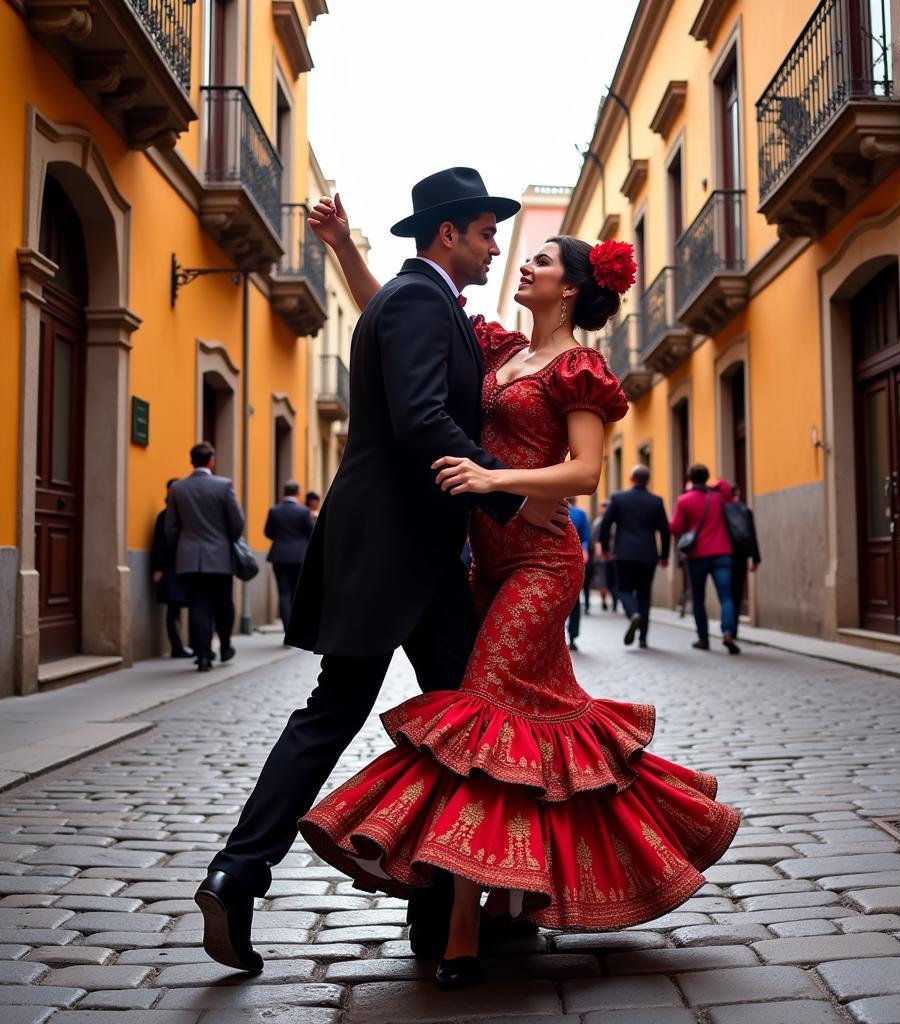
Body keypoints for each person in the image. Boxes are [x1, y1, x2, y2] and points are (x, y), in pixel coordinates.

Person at [297, 214, 739, 990]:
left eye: (536, 258)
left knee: (481, 718)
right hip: (485, 562)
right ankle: (513, 894)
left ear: (569, 286)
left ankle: (465, 924)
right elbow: (397, 311)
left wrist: (493, 481)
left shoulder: (580, 370)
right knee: (523, 730)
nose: (519, 264)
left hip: (541, 564)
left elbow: (584, 475)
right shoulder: (501, 350)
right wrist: (343, 250)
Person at [196, 169, 568, 975]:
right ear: (447, 236)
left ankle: (435, 913)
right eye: (484, 231)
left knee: (454, 718)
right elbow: (421, 418)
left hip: (415, 553)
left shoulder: (418, 303)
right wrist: (508, 497)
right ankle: (258, 870)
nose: (494, 246)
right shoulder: (416, 302)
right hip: (398, 546)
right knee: (401, 713)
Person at [165, 443, 244, 673]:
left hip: (189, 558)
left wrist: (181, 548)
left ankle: (203, 656)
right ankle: (225, 644)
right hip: (219, 557)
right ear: (211, 460)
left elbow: (170, 528)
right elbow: (237, 523)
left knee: (198, 607)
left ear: (192, 461)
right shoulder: (224, 485)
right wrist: (227, 539)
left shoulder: (178, 488)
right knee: (224, 604)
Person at [598, 465, 670, 649]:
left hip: (624, 553)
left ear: (631, 479)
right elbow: (665, 530)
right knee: (645, 594)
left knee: (623, 590)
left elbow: (605, 525)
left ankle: (633, 613)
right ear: (648, 481)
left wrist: (605, 548)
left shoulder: (619, 498)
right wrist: (665, 555)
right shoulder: (656, 501)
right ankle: (643, 638)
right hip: (648, 555)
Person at [670, 465, 739, 654]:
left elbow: (675, 528)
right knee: (726, 596)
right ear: (707, 478)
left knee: (698, 599)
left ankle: (703, 638)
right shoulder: (717, 496)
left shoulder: (684, 500)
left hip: (697, 556)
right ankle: (727, 632)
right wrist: (719, 482)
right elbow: (729, 493)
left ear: (690, 478)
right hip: (722, 552)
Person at [264, 481, 314, 632]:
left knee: (283, 593)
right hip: (299, 556)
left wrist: (281, 539)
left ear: (282, 493)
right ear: (297, 494)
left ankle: (288, 630)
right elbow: (310, 532)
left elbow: (268, 532)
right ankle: (296, 629)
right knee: (296, 592)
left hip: (279, 556)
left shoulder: (274, 511)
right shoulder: (304, 511)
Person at [151, 479, 192, 659]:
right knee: (174, 607)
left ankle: (183, 645)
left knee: (179, 607)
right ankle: (176, 647)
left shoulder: (183, 514)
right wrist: (158, 568)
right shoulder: (165, 516)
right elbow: (159, 544)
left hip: (182, 566)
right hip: (170, 568)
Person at [727, 485, 761, 638]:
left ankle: (727, 626)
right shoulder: (745, 511)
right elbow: (752, 535)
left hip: (724, 555)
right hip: (740, 556)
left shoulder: (722, 510)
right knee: (737, 593)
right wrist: (755, 558)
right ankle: (733, 628)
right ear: (737, 494)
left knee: (726, 594)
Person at [565, 497, 590, 651]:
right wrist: (584, 550)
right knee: (574, 599)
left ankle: (569, 637)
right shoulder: (579, 514)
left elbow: (586, 538)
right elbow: (586, 538)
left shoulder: (578, 514)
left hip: (555, 558)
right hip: (572, 557)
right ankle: (572, 637)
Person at [592, 499, 617, 611]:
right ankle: (604, 600)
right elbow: (594, 539)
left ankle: (615, 601)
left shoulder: (615, 522)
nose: (604, 508)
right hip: (601, 556)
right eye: (602, 506)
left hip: (613, 556)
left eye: (606, 506)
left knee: (613, 579)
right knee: (602, 579)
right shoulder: (597, 522)